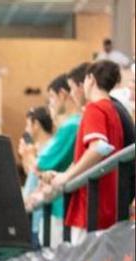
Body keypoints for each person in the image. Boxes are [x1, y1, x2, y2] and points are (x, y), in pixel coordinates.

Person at [49, 59, 125, 238]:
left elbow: (99, 147)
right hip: (107, 204)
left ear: (90, 79)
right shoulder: (112, 111)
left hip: (91, 205)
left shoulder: (95, 109)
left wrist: (67, 176)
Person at [26, 74, 82, 244]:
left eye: (51, 96)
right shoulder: (75, 124)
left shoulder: (72, 125)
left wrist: (28, 157)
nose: (50, 103)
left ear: (63, 94)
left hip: (60, 208)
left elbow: (40, 164)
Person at [20, 106, 56, 242]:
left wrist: (28, 157)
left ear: (36, 124)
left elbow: (42, 175)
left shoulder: (50, 148)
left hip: (42, 218)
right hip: (33, 216)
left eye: (28, 124)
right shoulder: (39, 149)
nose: (26, 130)